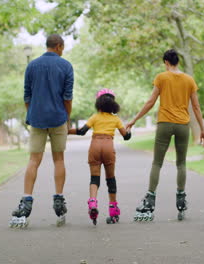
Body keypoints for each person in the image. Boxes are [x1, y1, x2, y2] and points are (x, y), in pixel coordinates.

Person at [125, 49, 204, 222]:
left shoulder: (162, 77)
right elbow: (196, 107)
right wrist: (202, 129)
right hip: (183, 125)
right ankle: (181, 197)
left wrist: (134, 120)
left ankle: (150, 197)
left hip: (164, 124)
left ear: (166, 62)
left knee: (157, 162)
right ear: (177, 61)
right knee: (181, 163)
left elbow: (150, 102)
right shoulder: (189, 80)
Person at [9, 34, 74, 228]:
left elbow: (27, 95)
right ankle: (59, 199)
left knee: (33, 160)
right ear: (59, 46)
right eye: (63, 47)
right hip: (58, 118)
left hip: (37, 120)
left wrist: (34, 113)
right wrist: (67, 118)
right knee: (59, 159)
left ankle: (26, 200)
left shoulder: (32, 66)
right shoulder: (66, 66)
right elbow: (67, 98)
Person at [69, 89, 131, 225]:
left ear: (99, 103)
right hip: (108, 146)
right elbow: (126, 136)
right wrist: (129, 131)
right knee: (110, 179)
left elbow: (81, 132)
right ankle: (113, 211)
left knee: (94, 178)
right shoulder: (115, 119)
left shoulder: (95, 117)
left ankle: (92, 203)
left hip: (95, 146)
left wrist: (67, 131)